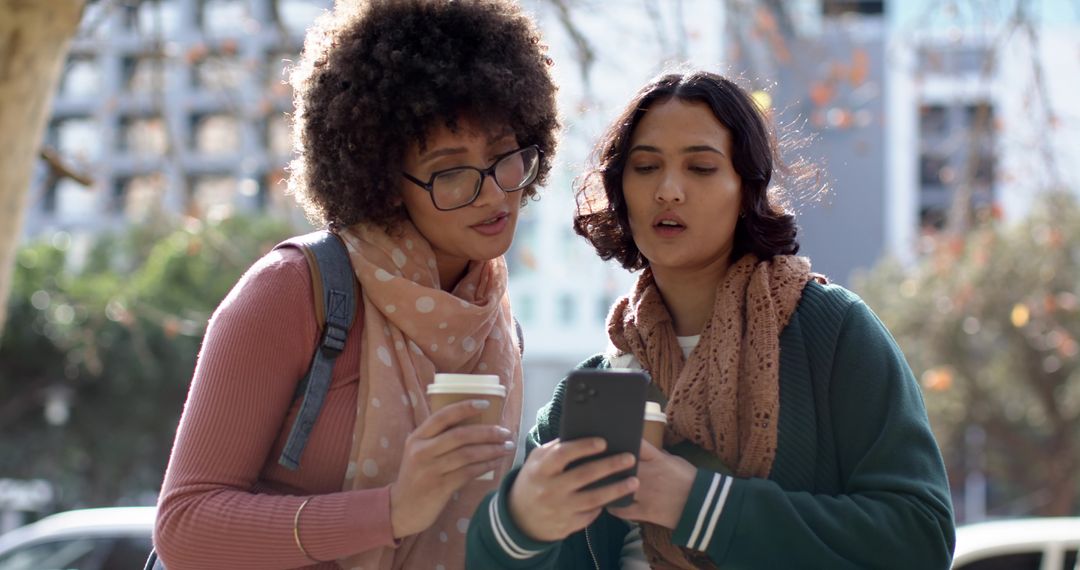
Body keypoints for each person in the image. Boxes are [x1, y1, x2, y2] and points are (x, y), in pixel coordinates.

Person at [467, 70, 955, 569]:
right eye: (645, 167)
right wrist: (519, 522)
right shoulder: (595, 389)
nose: (669, 190)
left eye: (700, 167)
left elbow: (922, 538)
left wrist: (696, 504)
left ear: (747, 191)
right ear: (621, 192)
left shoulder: (831, 332)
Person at [152, 1, 558, 568]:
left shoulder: (494, 323)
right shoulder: (294, 291)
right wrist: (390, 512)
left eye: (504, 157)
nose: (493, 194)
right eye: (451, 171)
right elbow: (185, 526)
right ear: (385, 180)